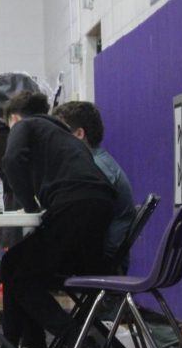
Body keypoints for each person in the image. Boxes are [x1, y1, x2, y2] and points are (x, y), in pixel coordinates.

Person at [0, 91, 116, 348]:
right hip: (96, 208)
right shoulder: (66, 137)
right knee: (18, 265)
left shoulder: (25, 125)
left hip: (74, 206)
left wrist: (29, 203)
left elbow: (11, 160)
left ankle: (80, 343)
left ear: (13, 119)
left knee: (16, 272)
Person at [51, 100, 137, 271]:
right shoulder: (97, 163)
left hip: (100, 260)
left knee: (19, 268)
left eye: (60, 133)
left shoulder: (95, 170)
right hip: (101, 255)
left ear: (79, 134)